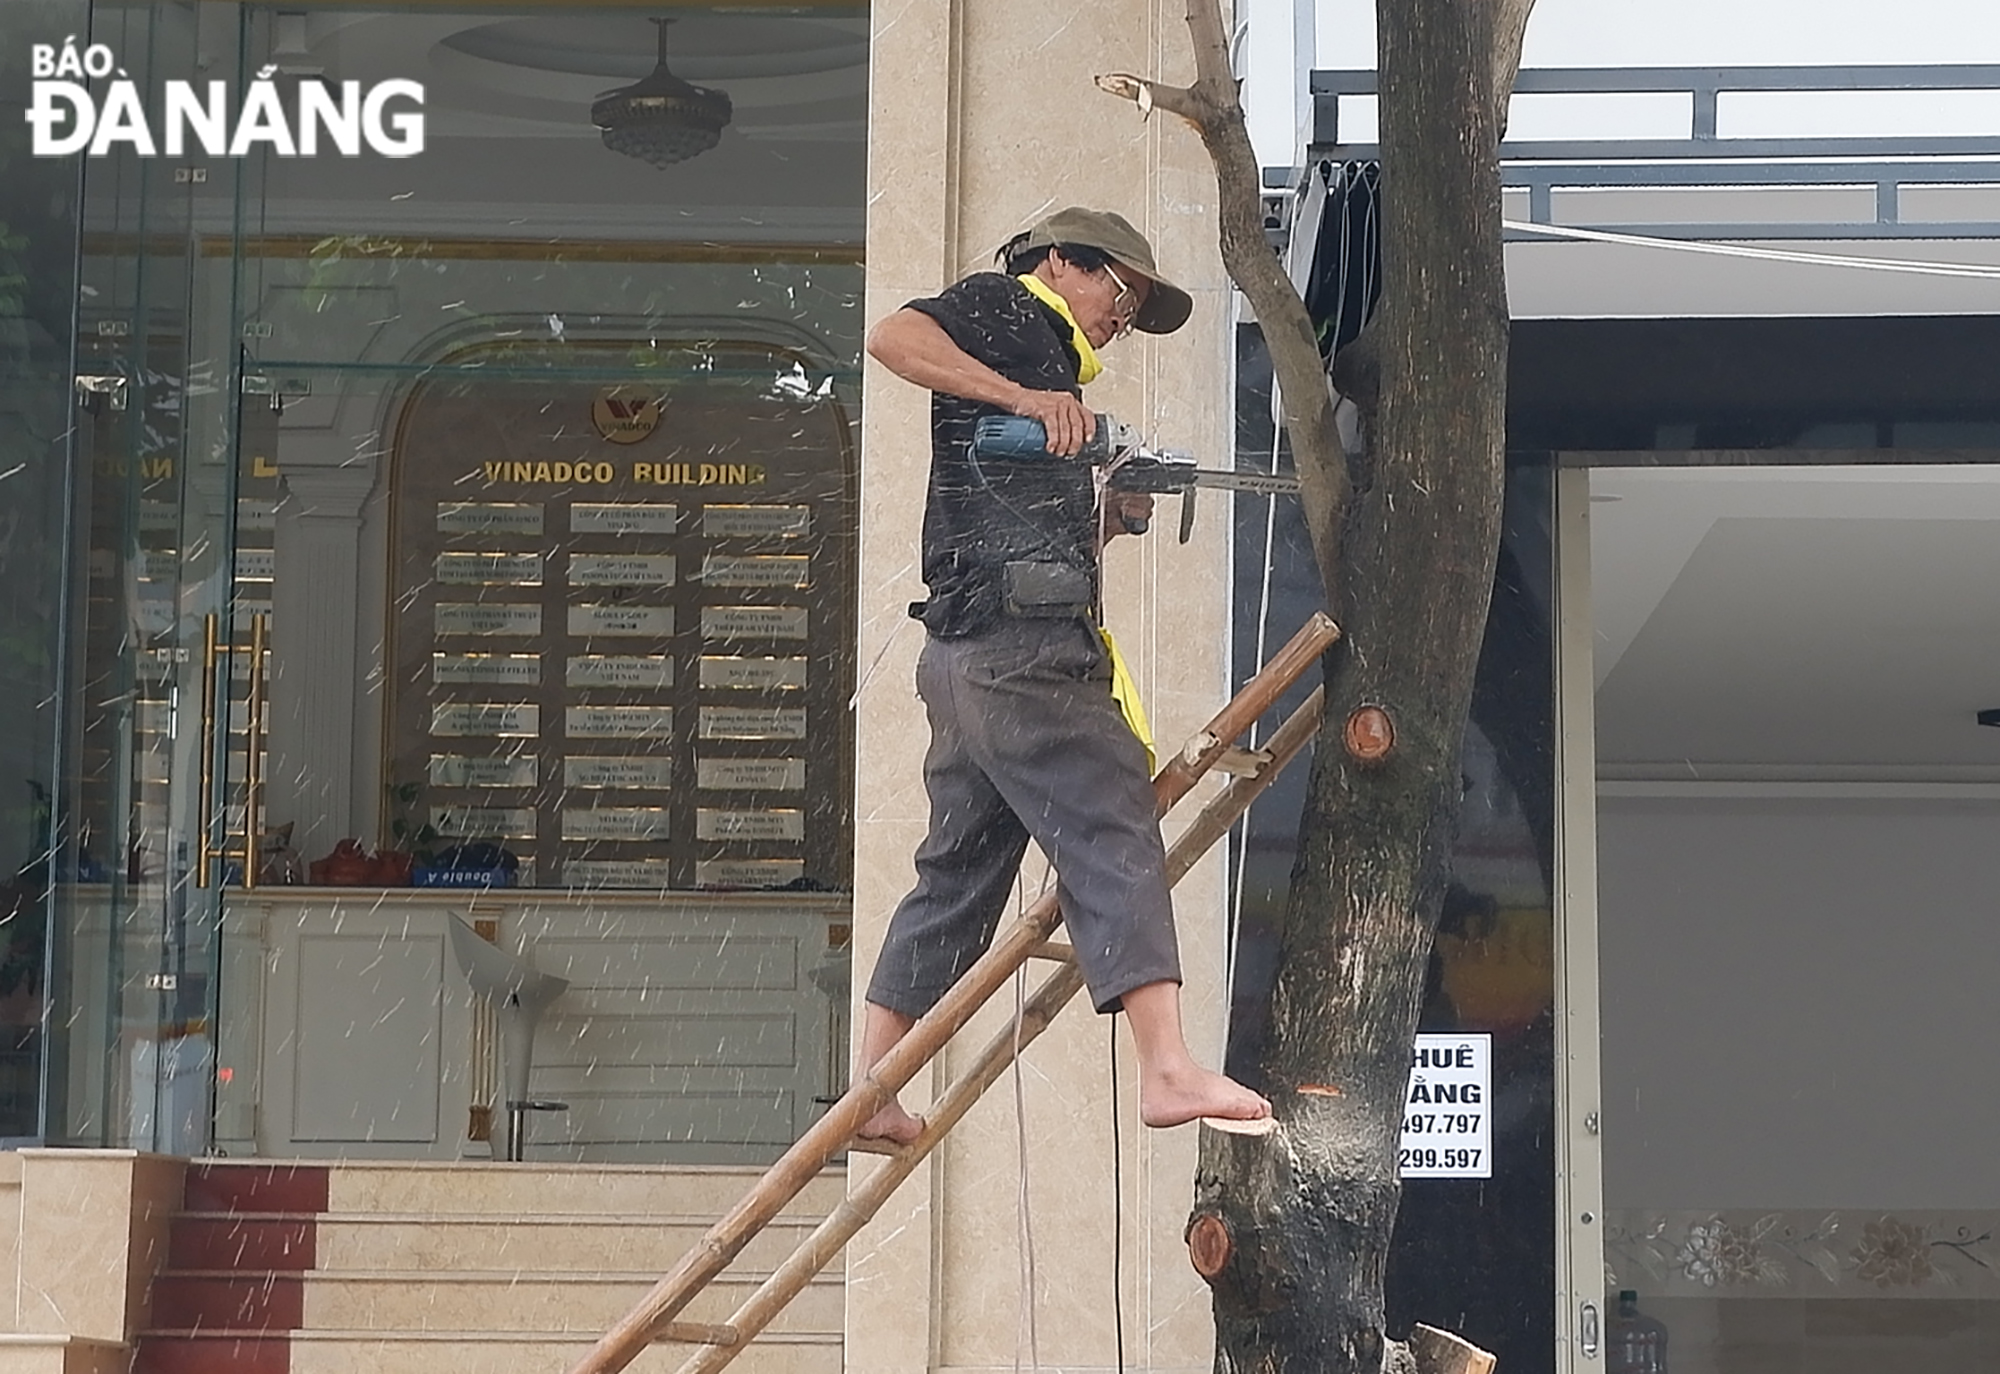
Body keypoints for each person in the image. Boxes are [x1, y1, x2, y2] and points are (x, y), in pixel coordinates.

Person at [857, 206, 1273, 1144]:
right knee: (1111, 825)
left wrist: (1113, 514)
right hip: (1024, 656)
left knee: (956, 872)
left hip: (969, 656)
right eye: (1119, 291)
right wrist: (1023, 399)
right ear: (1060, 263)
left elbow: (1020, 525)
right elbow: (892, 336)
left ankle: (871, 1088)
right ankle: (1166, 1070)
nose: (1120, 316)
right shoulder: (1009, 310)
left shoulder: (1046, 369)